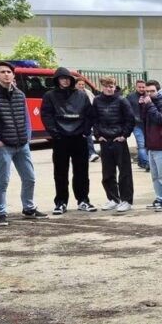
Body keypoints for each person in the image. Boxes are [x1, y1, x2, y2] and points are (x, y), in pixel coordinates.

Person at [0, 61, 49, 226]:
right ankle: (1, 213)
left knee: (30, 178)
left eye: (9, 72)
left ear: (13, 75)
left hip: (22, 144)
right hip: (2, 145)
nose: (6, 74)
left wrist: (28, 136)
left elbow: (26, 117)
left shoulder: (20, 94)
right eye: (2, 72)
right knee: (2, 180)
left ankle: (29, 208)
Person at [41, 67, 96, 214]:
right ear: (57, 80)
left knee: (82, 172)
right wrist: (55, 133)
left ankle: (83, 200)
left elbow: (89, 114)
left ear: (71, 80)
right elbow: (46, 115)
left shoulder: (81, 95)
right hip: (61, 138)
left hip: (79, 137)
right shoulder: (50, 96)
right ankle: (61, 202)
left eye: (67, 78)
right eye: (62, 78)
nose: (65, 81)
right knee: (60, 172)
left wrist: (85, 131)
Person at [89, 76, 136, 213]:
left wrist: (124, 135)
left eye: (112, 86)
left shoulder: (122, 100)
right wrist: (98, 135)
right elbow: (94, 119)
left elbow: (130, 119)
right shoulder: (97, 101)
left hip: (119, 141)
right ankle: (113, 199)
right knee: (107, 172)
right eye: (107, 86)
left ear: (115, 87)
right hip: (105, 141)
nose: (109, 89)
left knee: (124, 172)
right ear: (102, 87)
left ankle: (126, 200)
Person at [140, 80, 162, 211]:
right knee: (155, 175)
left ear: (158, 91)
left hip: (161, 144)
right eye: (147, 91)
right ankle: (160, 198)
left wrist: (149, 105)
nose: (149, 94)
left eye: (152, 91)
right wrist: (144, 106)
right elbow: (143, 120)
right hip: (151, 144)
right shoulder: (150, 103)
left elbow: (160, 119)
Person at [125, 80, 150, 171]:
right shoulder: (130, 97)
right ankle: (146, 163)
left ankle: (141, 162)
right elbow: (126, 109)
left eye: (143, 87)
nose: (141, 89)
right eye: (139, 87)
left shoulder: (148, 96)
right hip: (136, 124)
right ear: (136, 87)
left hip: (147, 124)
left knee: (145, 144)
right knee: (141, 144)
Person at [76, 79, 99, 163]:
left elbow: (93, 103)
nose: (81, 86)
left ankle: (92, 153)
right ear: (75, 85)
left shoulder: (88, 93)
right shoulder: (72, 94)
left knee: (88, 135)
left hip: (87, 118)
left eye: (83, 84)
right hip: (76, 119)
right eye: (79, 84)